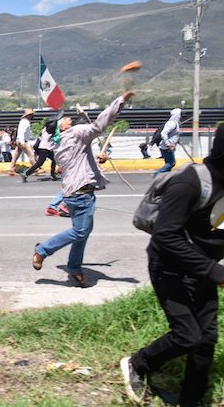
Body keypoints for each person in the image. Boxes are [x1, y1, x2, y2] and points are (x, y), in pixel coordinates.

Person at [121, 124, 224, 406]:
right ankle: (138, 363)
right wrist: (215, 271)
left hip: (202, 270)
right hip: (169, 267)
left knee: (207, 339)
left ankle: (191, 400)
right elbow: (165, 236)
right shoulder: (191, 182)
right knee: (188, 336)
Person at [32, 91, 135, 287]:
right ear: (61, 127)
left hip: (76, 192)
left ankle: (74, 267)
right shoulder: (75, 133)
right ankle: (43, 250)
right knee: (80, 232)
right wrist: (120, 101)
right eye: (64, 118)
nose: (68, 117)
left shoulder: (60, 143)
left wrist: (97, 160)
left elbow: (79, 161)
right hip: (80, 193)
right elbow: (99, 125)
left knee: (83, 231)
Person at [154, 108, 181, 176]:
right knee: (171, 163)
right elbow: (163, 133)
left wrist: (177, 141)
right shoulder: (172, 123)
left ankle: (164, 177)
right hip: (166, 147)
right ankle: (157, 174)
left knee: (168, 164)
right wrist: (168, 144)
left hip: (168, 147)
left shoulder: (175, 123)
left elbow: (173, 134)